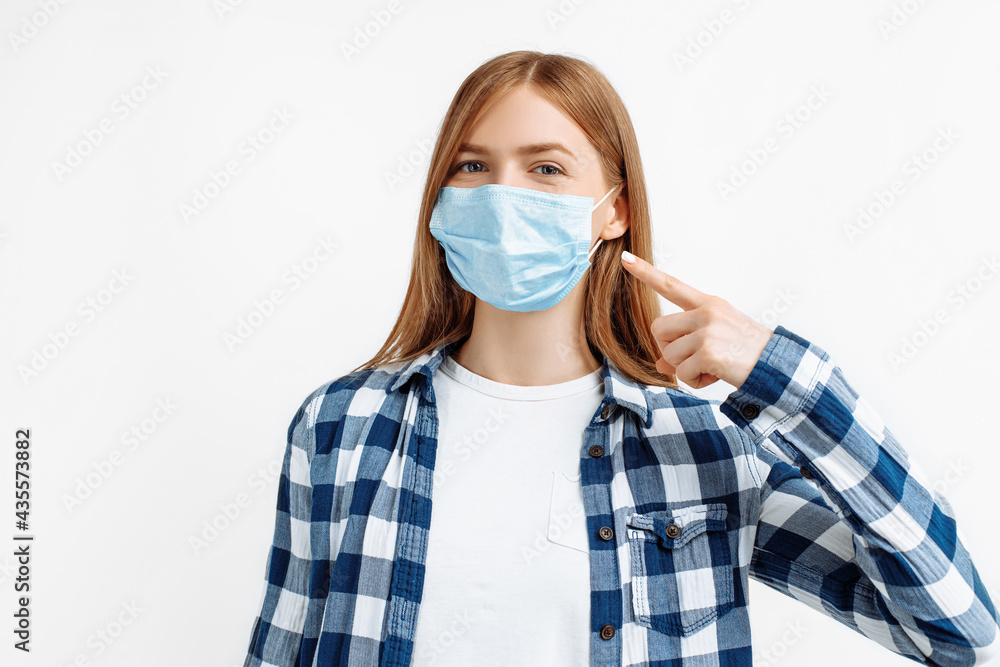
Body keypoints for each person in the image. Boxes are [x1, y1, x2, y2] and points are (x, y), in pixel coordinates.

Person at [242, 50, 999, 667]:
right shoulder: (342, 425)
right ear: (439, 196)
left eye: (546, 169)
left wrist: (785, 378)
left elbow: (958, 630)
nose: (503, 193)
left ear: (615, 210)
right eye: (472, 167)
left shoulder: (701, 446)